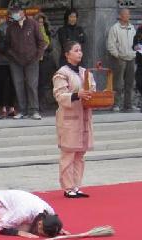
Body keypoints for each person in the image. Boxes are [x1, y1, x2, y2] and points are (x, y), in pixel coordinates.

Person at [53, 41, 95, 198]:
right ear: (67, 54)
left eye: (80, 50)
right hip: (69, 118)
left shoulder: (86, 72)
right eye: (76, 50)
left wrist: (93, 94)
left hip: (84, 117)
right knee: (68, 153)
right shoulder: (61, 73)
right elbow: (59, 95)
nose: (79, 53)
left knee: (80, 154)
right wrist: (78, 95)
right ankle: (68, 187)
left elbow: (93, 89)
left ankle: (76, 186)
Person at [4, 5, 47, 120]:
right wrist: (12, 55)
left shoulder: (33, 24)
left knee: (32, 85)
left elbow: (41, 42)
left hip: (32, 60)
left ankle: (34, 110)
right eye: (12, 13)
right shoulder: (11, 27)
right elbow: (6, 45)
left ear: (22, 12)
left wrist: (37, 56)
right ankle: (22, 110)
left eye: (16, 12)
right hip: (15, 61)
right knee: (18, 85)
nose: (14, 15)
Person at [0, 189, 67, 237]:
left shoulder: (49, 211)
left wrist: (56, 228)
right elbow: (2, 228)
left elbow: (52, 221)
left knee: (30, 227)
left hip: (15, 205)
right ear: (40, 224)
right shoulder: (23, 213)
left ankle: (6, 217)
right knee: (27, 229)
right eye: (42, 232)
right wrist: (20, 233)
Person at [107, 8, 137, 112]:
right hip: (119, 59)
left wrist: (135, 53)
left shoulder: (132, 28)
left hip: (131, 58)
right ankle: (116, 104)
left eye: (129, 14)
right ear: (120, 15)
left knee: (130, 83)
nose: (128, 16)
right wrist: (117, 55)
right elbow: (110, 44)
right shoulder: (115, 28)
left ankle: (128, 105)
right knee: (118, 84)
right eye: (125, 14)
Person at [35, 13, 57, 110]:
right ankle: (36, 103)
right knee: (36, 82)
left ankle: (42, 102)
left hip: (46, 58)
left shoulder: (47, 32)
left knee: (44, 82)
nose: (40, 24)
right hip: (37, 59)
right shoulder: (33, 32)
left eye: (42, 22)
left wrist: (47, 46)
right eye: (39, 22)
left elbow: (51, 46)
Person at [0, 15, 16, 118]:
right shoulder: (1, 27)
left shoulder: (18, 26)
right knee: (3, 84)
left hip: (15, 61)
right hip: (2, 61)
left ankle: (12, 107)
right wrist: (7, 51)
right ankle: (3, 106)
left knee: (14, 84)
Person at [133, 23, 142, 112]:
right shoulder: (140, 29)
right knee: (139, 82)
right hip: (140, 61)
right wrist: (135, 47)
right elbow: (135, 42)